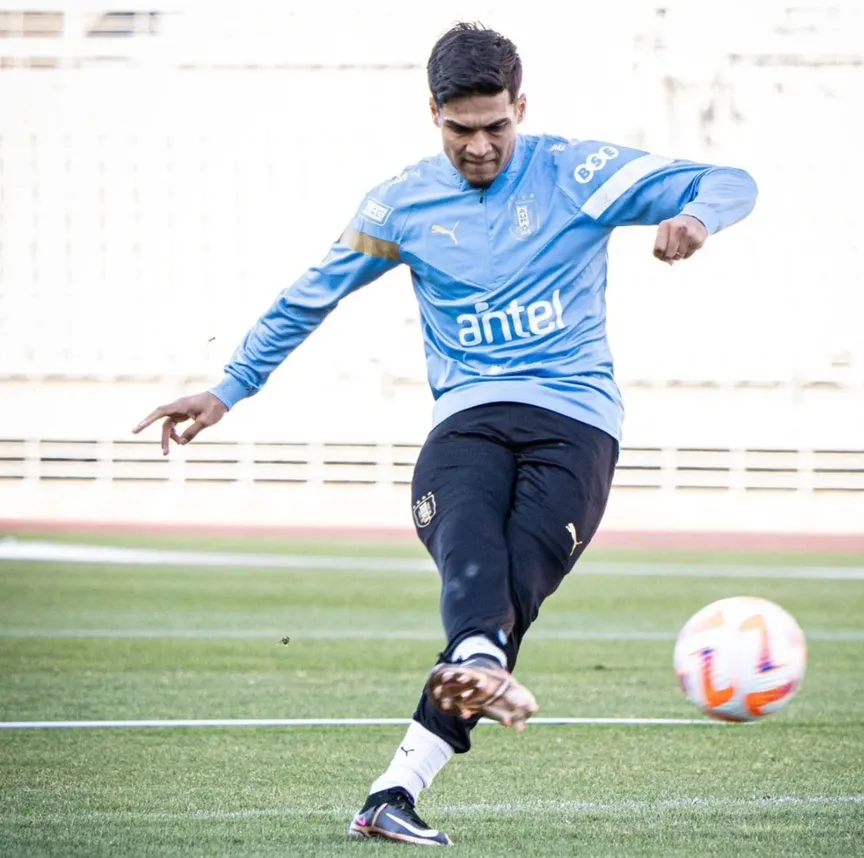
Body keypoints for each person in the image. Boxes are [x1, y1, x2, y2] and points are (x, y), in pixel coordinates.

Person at [133, 21, 758, 847]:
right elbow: (308, 298)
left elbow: (729, 178)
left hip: (575, 421)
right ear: (432, 113)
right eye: (459, 128)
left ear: (521, 108)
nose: (479, 146)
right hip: (467, 416)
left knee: (513, 583)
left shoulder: (579, 173)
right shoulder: (399, 205)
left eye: (496, 126)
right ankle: (475, 680)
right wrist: (228, 389)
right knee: (469, 552)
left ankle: (399, 782)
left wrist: (700, 221)